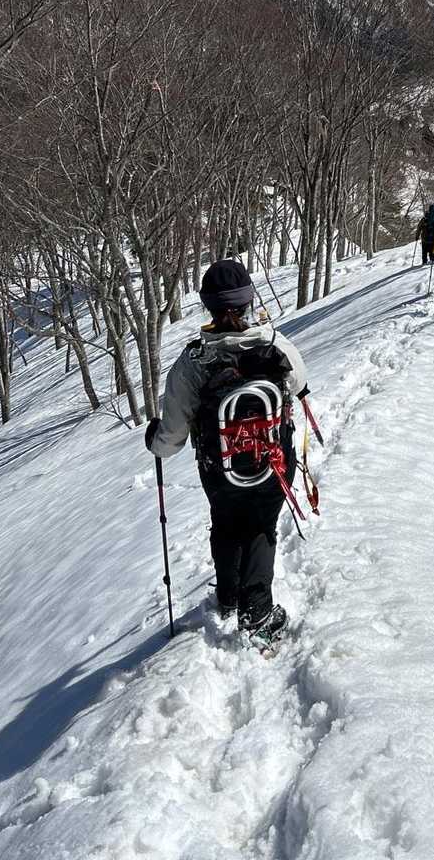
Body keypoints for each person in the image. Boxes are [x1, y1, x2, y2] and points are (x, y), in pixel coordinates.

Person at [145, 259, 309, 643]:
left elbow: (170, 439)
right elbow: (300, 382)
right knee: (260, 527)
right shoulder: (274, 344)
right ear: (249, 300)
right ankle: (258, 614)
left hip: (220, 468)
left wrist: (154, 439)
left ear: (208, 306)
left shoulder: (193, 363)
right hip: (273, 460)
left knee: (226, 523)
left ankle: (230, 597)